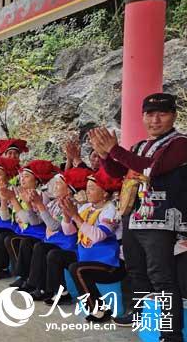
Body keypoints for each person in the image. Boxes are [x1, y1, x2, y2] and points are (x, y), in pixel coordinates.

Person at [90, 93, 186, 339]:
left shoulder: (179, 143)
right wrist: (104, 155)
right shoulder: (140, 146)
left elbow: (152, 167)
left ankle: (170, 333)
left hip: (162, 220)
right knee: (136, 270)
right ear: (143, 117)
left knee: (161, 276)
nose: (155, 120)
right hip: (133, 215)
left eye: (162, 114)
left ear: (173, 116)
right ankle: (140, 314)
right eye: (149, 114)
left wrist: (115, 149)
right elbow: (117, 172)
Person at [26, 168, 91, 305]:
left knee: (45, 250)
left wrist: (39, 204)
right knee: (40, 247)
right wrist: (29, 205)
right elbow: (34, 222)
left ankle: (48, 289)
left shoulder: (72, 204)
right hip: (54, 241)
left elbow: (56, 226)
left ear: (68, 190)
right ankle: (40, 286)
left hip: (67, 245)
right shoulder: (54, 203)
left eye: (59, 184)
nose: (54, 186)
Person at [68, 168, 124, 322]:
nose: (88, 192)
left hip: (109, 265)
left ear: (105, 193)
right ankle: (61, 293)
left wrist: (75, 216)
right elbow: (69, 231)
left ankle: (99, 310)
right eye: (87, 188)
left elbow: (98, 236)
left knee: (76, 269)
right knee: (56, 255)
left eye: (92, 188)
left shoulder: (110, 210)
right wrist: (67, 217)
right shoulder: (86, 208)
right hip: (87, 258)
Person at [5, 160, 59, 286]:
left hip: (38, 233)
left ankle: (26, 278)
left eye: (27, 176)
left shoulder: (41, 196)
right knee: (11, 239)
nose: (23, 179)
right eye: (22, 176)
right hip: (26, 231)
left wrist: (29, 205)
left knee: (21, 241)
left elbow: (34, 222)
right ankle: (23, 277)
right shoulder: (21, 194)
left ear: (36, 181)